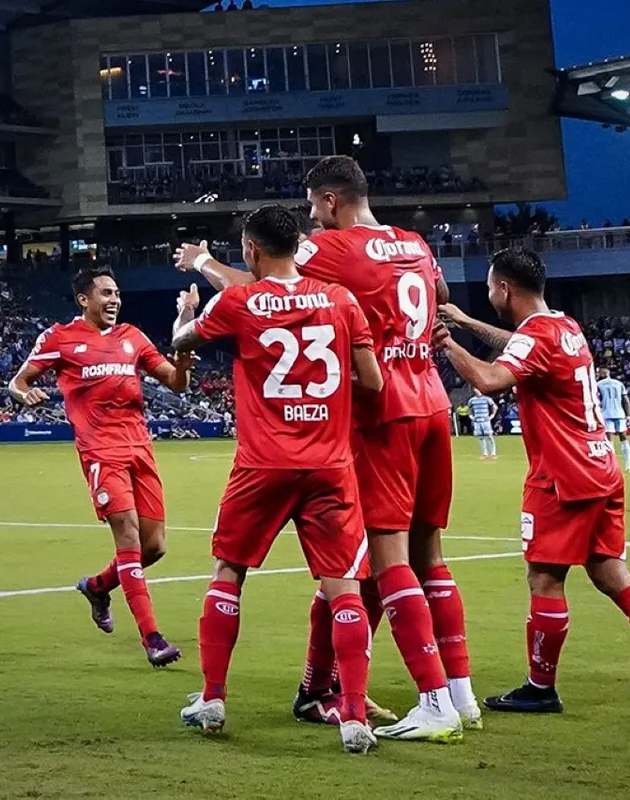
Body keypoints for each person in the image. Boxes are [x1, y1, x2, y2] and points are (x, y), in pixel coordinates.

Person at [174, 155, 474, 741]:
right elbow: (437, 293)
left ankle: (434, 701)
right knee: (422, 557)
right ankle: (442, 698)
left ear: (331, 200)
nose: (312, 216)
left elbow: (262, 288)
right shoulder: (412, 243)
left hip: (374, 421)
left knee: (382, 562)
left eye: (314, 204)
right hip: (430, 403)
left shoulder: (331, 251)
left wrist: (203, 263)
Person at [434, 247, 630, 720]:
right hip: (600, 466)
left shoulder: (537, 336)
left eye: (489, 288)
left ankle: (540, 688)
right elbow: (521, 344)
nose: (489, 295)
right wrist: (467, 322)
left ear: (504, 288)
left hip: (562, 476)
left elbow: (488, 380)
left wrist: (448, 343)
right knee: (611, 575)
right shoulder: (563, 327)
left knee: (545, 578)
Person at [171, 205, 384, 754]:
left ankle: (213, 698)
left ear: (251, 249)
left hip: (261, 465)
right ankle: (353, 716)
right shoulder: (341, 300)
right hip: (329, 466)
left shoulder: (240, 302)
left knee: (229, 572)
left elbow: (183, 343)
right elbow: (372, 381)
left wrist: (185, 313)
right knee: (344, 588)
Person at [9, 266, 194, 668]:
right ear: (84, 299)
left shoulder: (132, 337)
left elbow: (175, 383)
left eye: (117, 294)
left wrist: (182, 363)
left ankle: (97, 587)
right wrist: (24, 394)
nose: (115, 300)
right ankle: (152, 638)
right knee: (127, 534)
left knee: (155, 547)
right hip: (100, 450)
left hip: (140, 448)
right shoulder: (59, 338)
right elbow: (18, 382)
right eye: (106, 293)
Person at [597, 367, 630, 472]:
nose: (598, 375)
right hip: (619, 413)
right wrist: (628, 416)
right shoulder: (619, 383)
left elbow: (596, 400)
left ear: (603, 374)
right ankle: (628, 465)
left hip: (606, 414)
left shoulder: (598, 385)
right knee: (624, 438)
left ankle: (613, 467)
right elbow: (626, 400)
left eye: (599, 373)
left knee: (609, 441)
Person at [467, 389, 499, 460]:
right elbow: (469, 409)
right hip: (477, 421)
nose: (475, 390)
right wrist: (471, 416)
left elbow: (495, 407)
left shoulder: (487, 398)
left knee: (489, 436)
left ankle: (493, 453)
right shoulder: (472, 400)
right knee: (480, 437)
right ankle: (484, 454)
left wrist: (492, 415)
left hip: (485, 421)